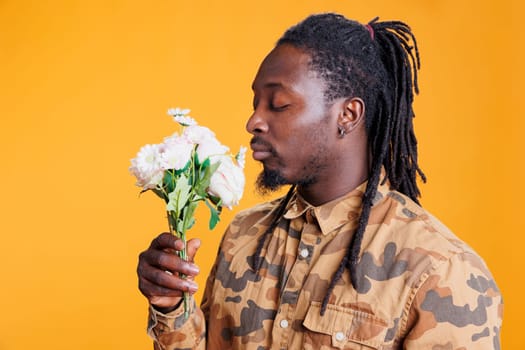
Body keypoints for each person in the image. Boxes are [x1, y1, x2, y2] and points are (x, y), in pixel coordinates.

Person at [137, 13, 503, 349]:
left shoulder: (442, 271)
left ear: (347, 114)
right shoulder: (242, 236)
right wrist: (171, 308)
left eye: (278, 104)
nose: (253, 122)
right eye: (255, 103)